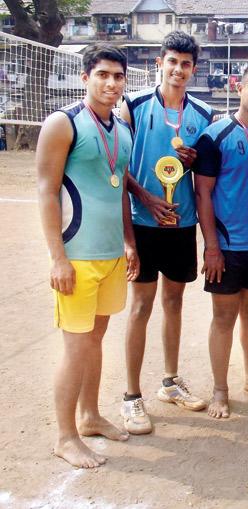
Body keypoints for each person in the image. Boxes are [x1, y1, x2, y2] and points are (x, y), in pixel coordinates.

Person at [36, 44, 138, 468]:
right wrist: (58, 258)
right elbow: (46, 190)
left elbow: (117, 190)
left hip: (111, 254)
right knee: (75, 348)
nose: (111, 83)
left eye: (118, 76)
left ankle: (91, 415)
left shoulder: (123, 126)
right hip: (77, 257)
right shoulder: (63, 123)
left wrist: (129, 243)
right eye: (102, 75)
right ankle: (65, 436)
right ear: (85, 78)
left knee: (96, 340)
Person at [119, 31, 212, 435]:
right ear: (160, 62)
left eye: (186, 64)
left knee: (174, 303)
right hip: (143, 221)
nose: (178, 69)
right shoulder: (133, 105)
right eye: (172, 61)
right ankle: (131, 396)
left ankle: (170, 382)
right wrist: (147, 197)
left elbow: (202, 172)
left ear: (193, 69)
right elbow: (118, 164)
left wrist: (190, 163)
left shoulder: (203, 114)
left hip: (182, 221)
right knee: (141, 306)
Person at [193, 60, 248, 419]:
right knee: (224, 317)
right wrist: (212, 246)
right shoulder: (214, 136)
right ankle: (220, 389)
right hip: (226, 247)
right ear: (239, 87)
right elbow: (203, 195)